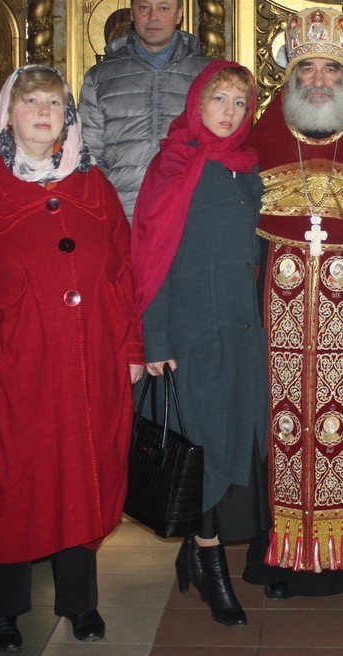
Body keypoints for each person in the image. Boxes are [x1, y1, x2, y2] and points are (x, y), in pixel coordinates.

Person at [0, 65, 138, 651]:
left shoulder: (94, 183)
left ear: (69, 116)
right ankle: (2, 610)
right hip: (12, 362)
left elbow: (123, 269)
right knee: (13, 478)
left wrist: (132, 347)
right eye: (30, 101)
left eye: (55, 103)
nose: (43, 112)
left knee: (82, 470)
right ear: (6, 113)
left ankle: (80, 602)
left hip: (91, 358)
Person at [241, 6, 343, 598]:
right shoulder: (259, 142)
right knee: (278, 428)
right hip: (273, 315)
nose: (317, 80)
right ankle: (281, 560)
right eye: (306, 68)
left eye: (330, 70)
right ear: (289, 77)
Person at [131, 60, 270, 627]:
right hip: (191, 332)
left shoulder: (248, 169)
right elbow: (151, 257)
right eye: (220, 99)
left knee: (232, 439)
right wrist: (155, 338)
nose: (230, 112)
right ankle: (213, 568)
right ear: (197, 102)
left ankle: (194, 547)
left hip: (241, 331)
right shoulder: (174, 164)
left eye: (240, 103)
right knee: (204, 446)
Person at [79, 0, 210, 221]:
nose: (153, 17)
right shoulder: (100, 78)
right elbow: (88, 156)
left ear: (179, 15)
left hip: (187, 216)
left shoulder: (207, 76)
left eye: (163, 8)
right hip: (122, 216)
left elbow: (219, 149)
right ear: (132, 13)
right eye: (144, 7)